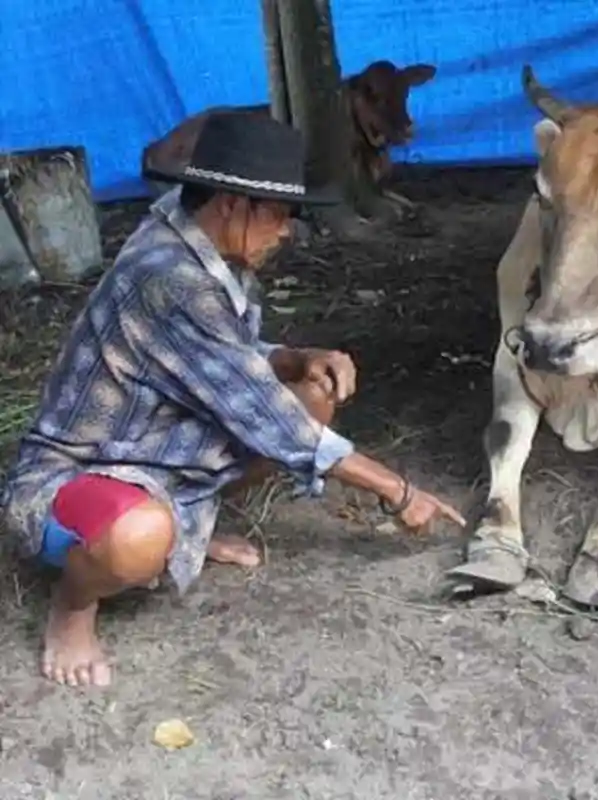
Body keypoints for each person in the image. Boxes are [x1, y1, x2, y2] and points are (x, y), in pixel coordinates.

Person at [0, 112, 465, 689]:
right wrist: (400, 491)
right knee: (139, 535)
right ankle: (73, 610)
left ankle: (188, 526)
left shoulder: (192, 237)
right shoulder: (170, 279)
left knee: (310, 398)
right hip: (70, 482)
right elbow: (268, 419)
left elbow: (218, 359)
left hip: (149, 451)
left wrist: (292, 358)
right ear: (230, 204)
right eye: (279, 213)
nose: (288, 230)